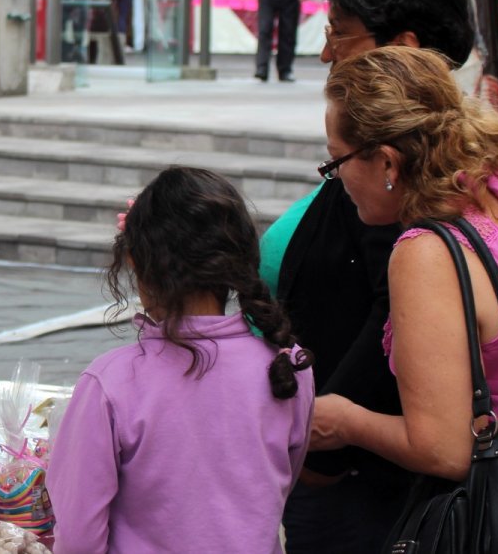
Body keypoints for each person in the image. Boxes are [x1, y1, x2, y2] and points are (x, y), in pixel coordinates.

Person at [311, 45, 498, 551]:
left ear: (387, 162)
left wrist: (342, 419)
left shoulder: (431, 253)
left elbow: (443, 449)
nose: (335, 176)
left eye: (335, 159)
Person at [257, 0, 475, 554]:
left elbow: (392, 325)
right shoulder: (386, 154)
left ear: (402, 48)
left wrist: (331, 438)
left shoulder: (400, 180)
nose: (326, 52)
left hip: (357, 478)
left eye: (339, 33)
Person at [48, 167, 314, 554]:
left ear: (137, 264)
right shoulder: (288, 367)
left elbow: (77, 540)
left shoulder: (110, 383)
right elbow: (277, 487)